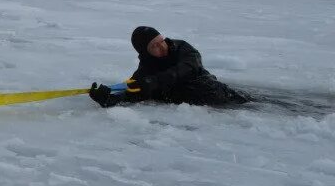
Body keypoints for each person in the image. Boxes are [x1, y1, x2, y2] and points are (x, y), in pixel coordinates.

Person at [89, 26, 251, 108]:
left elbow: (188, 67)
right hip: (195, 107)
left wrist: (155, 81)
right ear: (146, 52)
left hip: (222, 97)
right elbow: (137, 91)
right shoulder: (146, 68)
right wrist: (109, 98)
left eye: (162, 41)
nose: (163, 47)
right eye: (155, 46)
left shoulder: (183, 49)